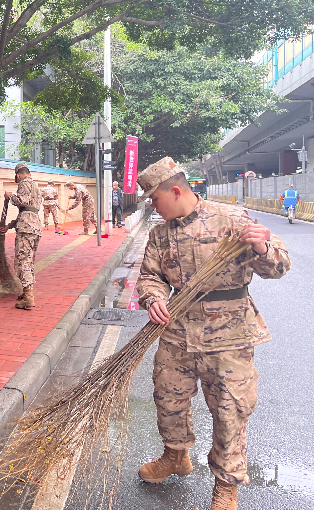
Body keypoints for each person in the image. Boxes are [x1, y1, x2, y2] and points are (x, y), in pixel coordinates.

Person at [135, 157, 290, 510]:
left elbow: (280, 266)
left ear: (175, 191)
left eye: (155, 200)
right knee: (168, 399)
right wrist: (154, 297)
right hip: (177, 331)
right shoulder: (160, 234)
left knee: (229, 410)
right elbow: (150, 276)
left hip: (230, 336)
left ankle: (226, 485)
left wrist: (263, 247)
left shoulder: (232, 219)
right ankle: (175, 456)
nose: (154, 208)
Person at [0, 163, 42, 309]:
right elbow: (28, 210)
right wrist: (10, 226)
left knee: (22, 261)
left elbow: (22, 202)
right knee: (29, 260)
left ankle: (29, 296)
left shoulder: (24, 183)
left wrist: (10, 196)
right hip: (35, 227)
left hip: (26, 229)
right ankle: (26, 291)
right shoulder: (36, 187)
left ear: (18, 175)